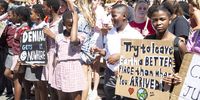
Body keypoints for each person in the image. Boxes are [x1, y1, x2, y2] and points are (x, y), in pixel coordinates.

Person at [91, 4, 144, 100]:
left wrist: (121, 55)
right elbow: (108, 53)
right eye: (111, 16)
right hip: (110, 74)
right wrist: (100, 51)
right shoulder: (110, 33)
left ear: (124, 16)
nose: (111, 19)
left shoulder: (135, 35)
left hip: (127, 76)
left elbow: (142, 54)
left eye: (114, 16)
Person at [43, 10, 85, 100]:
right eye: (69, 24)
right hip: (60, 68)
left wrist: (75, 21)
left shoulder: (80, 36)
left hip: (74, 68)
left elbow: (73, 40)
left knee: (76, 97)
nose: (72, 27)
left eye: (74, 24)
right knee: (62, 97)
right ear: (63, 23)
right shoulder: (59, 36)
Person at [146, 2, 187, 86]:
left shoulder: (178, 44)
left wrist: (177, 77)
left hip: (169, 91)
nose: (158, 23)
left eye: (162, 19)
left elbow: (186, 70)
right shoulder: (147, 40)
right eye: (154, 20)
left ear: (170, 20)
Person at [23, 4, 48, 100]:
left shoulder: (44, 26)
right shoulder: (33, 26)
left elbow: (44, 45)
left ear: (38, 15)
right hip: (32, 61)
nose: (30, 15)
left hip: (40, 62)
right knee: (36, 85)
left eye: (31, 13)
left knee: (42, 85)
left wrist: (38, 62)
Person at [11, 6, 33, 100]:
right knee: (20, 80)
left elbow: (24, 47)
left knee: (17, 81)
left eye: (15, 15)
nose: (14, 17)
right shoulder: (21, 27)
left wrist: (19, 62)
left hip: (19, 57)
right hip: (16, 56)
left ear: (20, 16)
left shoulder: (25, 29)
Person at [43, 0, 61, 99]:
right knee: (50, 87)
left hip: (56, 57)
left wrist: (51, 34)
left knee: (56, 87)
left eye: (44, 7)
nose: (43, 9)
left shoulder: (61, 22)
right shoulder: (47, 22)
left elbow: (65, 41)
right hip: (48, 56)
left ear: (50, 8)